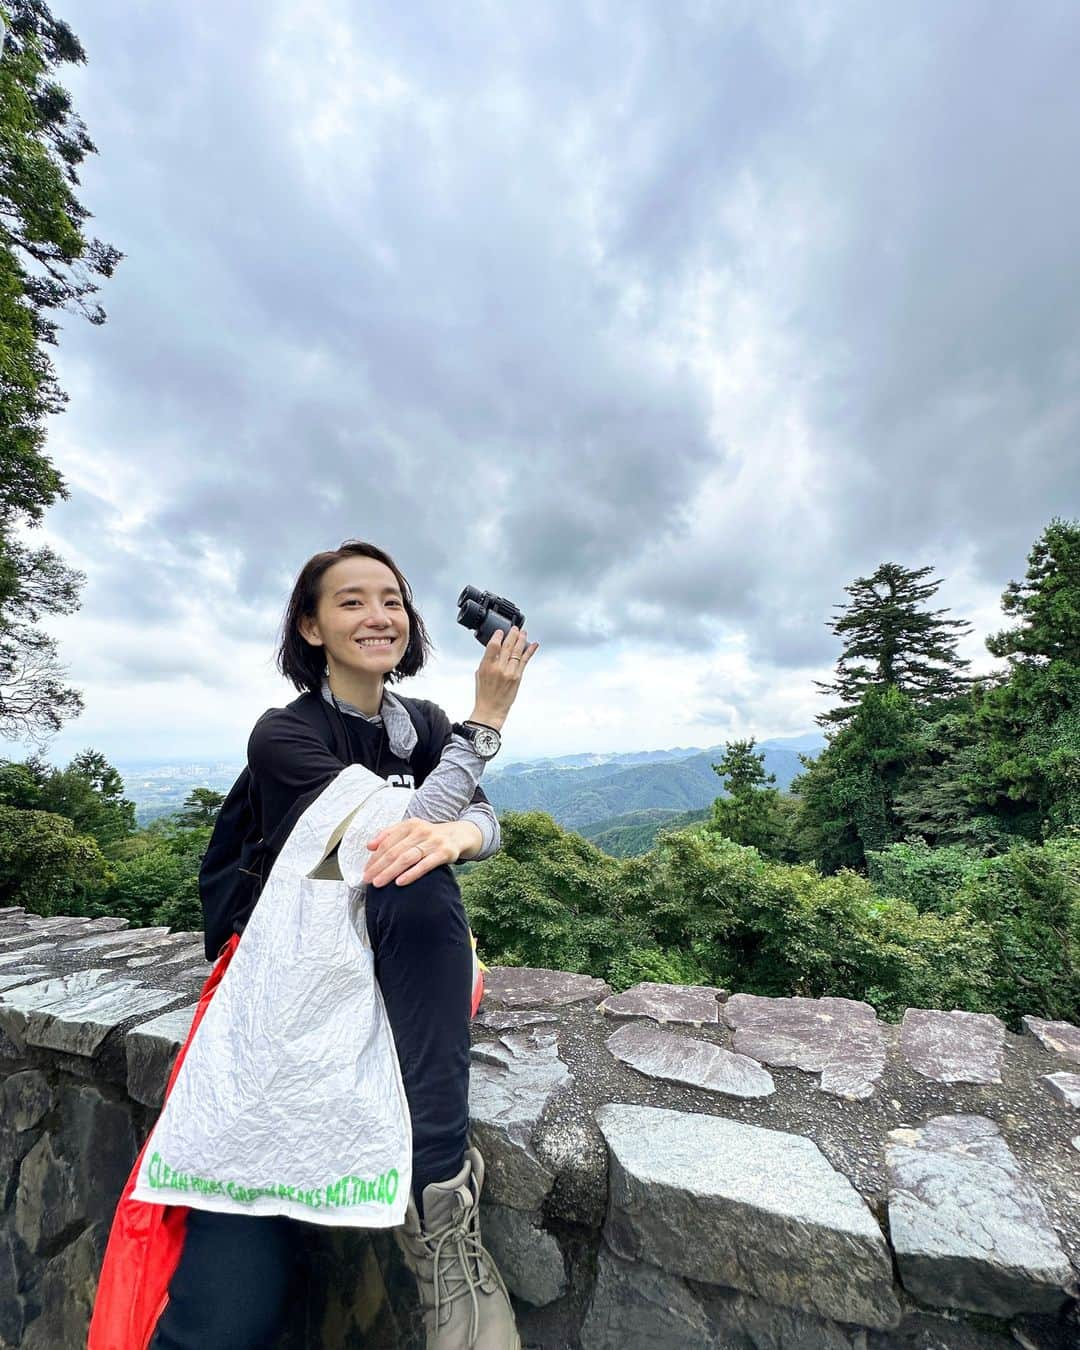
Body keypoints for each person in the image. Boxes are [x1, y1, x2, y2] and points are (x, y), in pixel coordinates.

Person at [149, 540, 538, 1350]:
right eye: (351, 601)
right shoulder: (284, 736)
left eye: (391, 599)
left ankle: (440, 1212)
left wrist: (462, 834)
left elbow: (475, 817)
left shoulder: (423, 725)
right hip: (282, 978)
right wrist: (488, 722)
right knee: (227, 1315)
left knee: (422, 871)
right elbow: (379, 841)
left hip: (384, 953)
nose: (378, 615)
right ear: (312, 627)